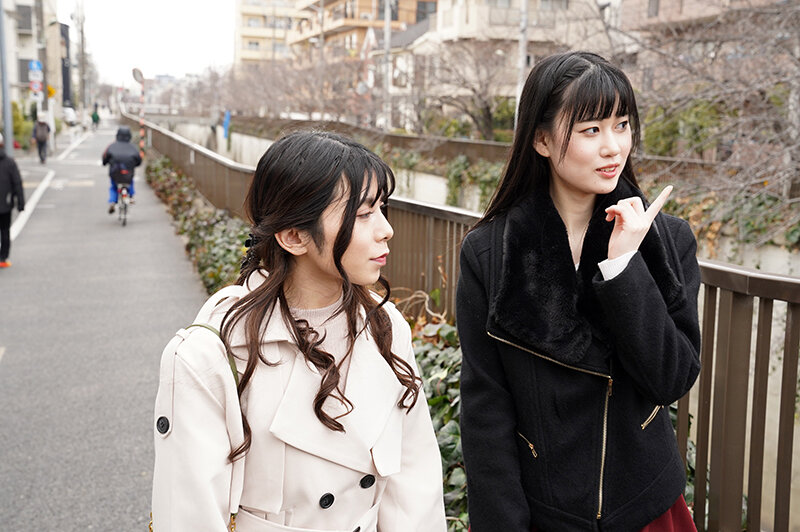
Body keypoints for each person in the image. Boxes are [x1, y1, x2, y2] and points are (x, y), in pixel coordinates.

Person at [151, 131, 447, 532]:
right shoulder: (210, 354)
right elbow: (190, 517)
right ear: (293, 236)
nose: (386, 229)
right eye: (362, 215)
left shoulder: (385, 326)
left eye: (382, 208)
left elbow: (415, 489)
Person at [456, 51, 701, 531]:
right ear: (542, 140)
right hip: (544, 510)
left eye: (622, 125)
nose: (613, 147)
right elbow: (486, 409)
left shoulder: (667, 239)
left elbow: (671, 378)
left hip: (645, 505)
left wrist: (623, 267)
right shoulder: (490, 252)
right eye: (591, 130)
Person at [102, 126, 141, 214]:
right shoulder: (133, 147)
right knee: (130, 181)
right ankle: (131, 196)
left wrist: (105, 163)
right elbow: (139, 160)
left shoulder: (111, 146)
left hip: (115, 173)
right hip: (128, 173)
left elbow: (105, 158)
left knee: (113, 187)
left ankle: (112, 201)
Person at [0, 133, 24, 268]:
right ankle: (3, 258)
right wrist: (20, 202)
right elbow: (17, 183)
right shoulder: (10, 163)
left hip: (5, 203)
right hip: (5, 203)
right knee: (5, 231)